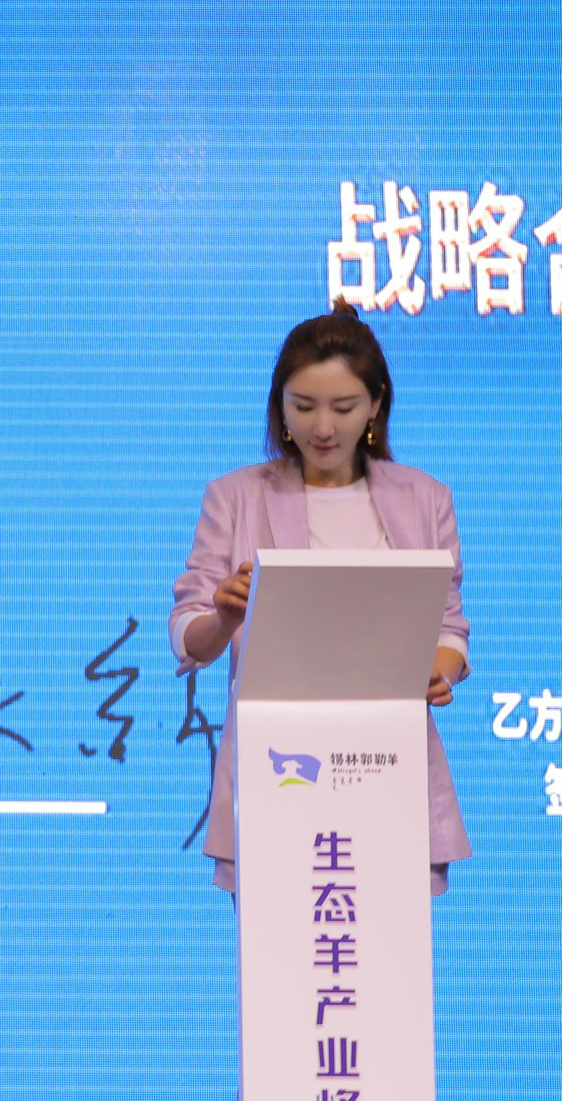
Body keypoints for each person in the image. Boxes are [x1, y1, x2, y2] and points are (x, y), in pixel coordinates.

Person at [170, 304, 471, 896]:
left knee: (384, 946)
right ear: (280, 406)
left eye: (344, 407)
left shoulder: (425, 498)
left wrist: (436, 673)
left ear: (376, 404)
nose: (323, 428)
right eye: (304, 407)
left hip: (387, 764)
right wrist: (223, 618)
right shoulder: (234, 496)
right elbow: (188, 634)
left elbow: (449, 627)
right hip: (278, 768)